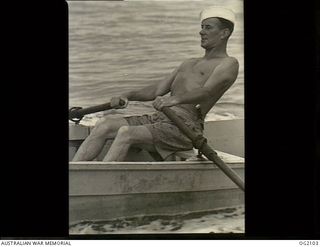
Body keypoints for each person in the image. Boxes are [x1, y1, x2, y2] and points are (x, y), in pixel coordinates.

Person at [72, 6, 239, 162]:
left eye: (208, 27)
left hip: (184, 128)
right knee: (105, 125)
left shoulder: (228, 63)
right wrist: (128, 95)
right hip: (159, 118)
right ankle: (75, 176)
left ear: (224, 33)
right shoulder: (188, 63)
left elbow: (207, 92)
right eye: (202, 27)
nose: (201, 32)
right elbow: (156, 90)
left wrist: (174, 100)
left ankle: (98, 183)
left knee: (125, 133)